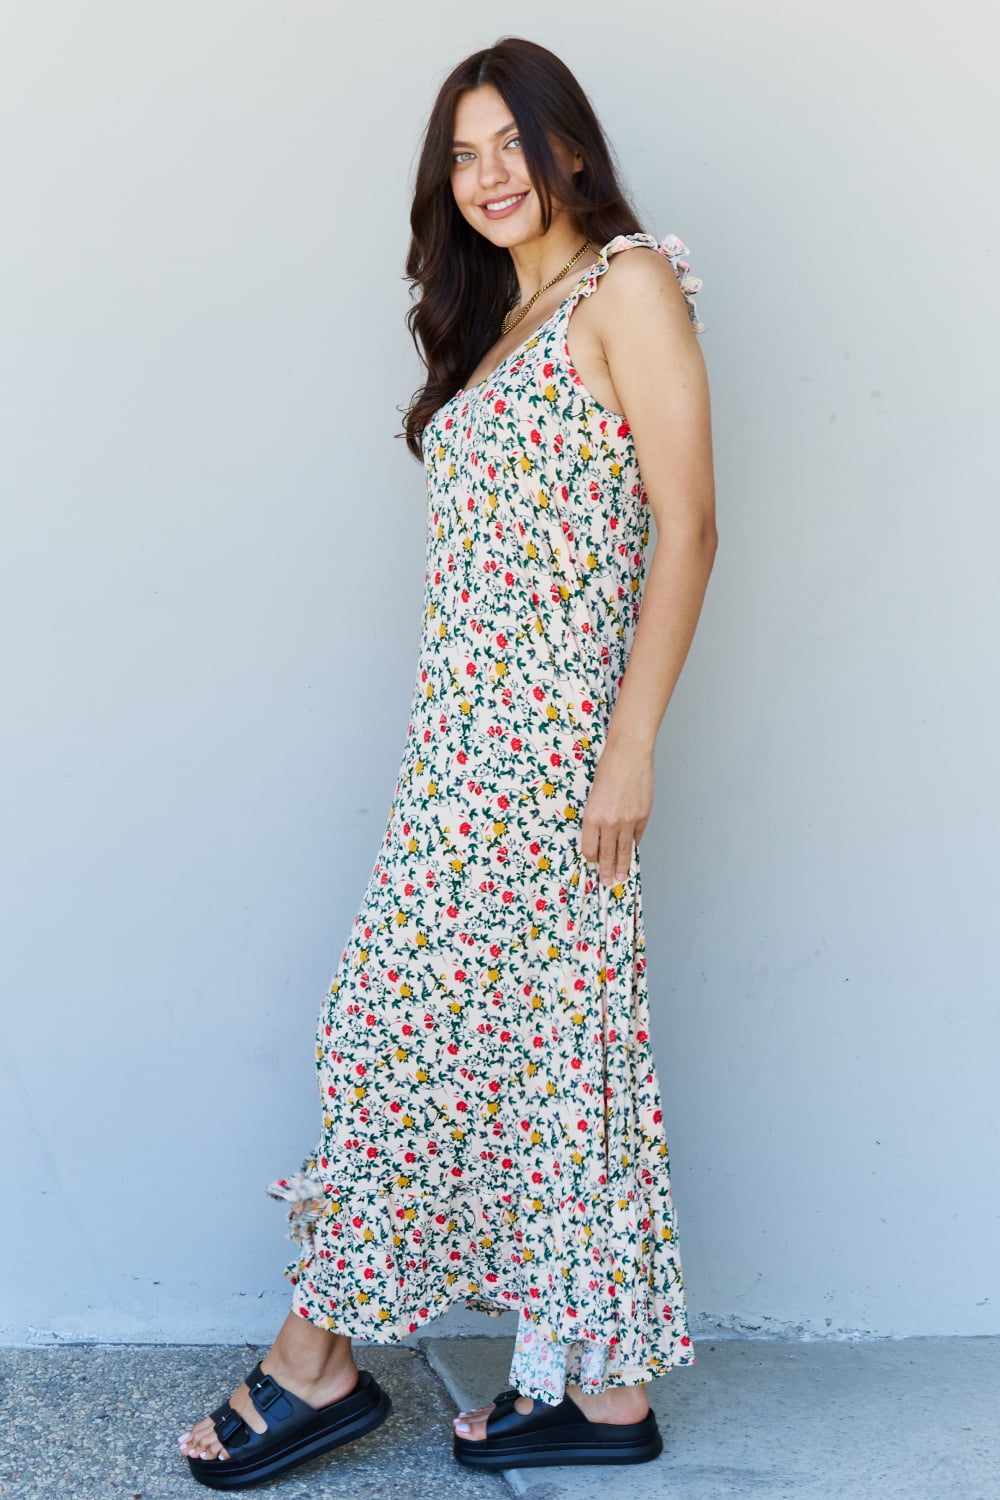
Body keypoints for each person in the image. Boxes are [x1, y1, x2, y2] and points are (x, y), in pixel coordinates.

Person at [179, 34, 716, 1490]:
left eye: (509, 146)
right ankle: (602, 1396)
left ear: (573, 151)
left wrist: (628, 751)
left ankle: (317, 1365)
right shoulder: (510, 320)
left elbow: (691, 525)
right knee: (540, 1056)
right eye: (461, 155)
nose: (486, 178)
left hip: (554, 766)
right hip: (462, 756)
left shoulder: (629, 286)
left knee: (397, 1043)